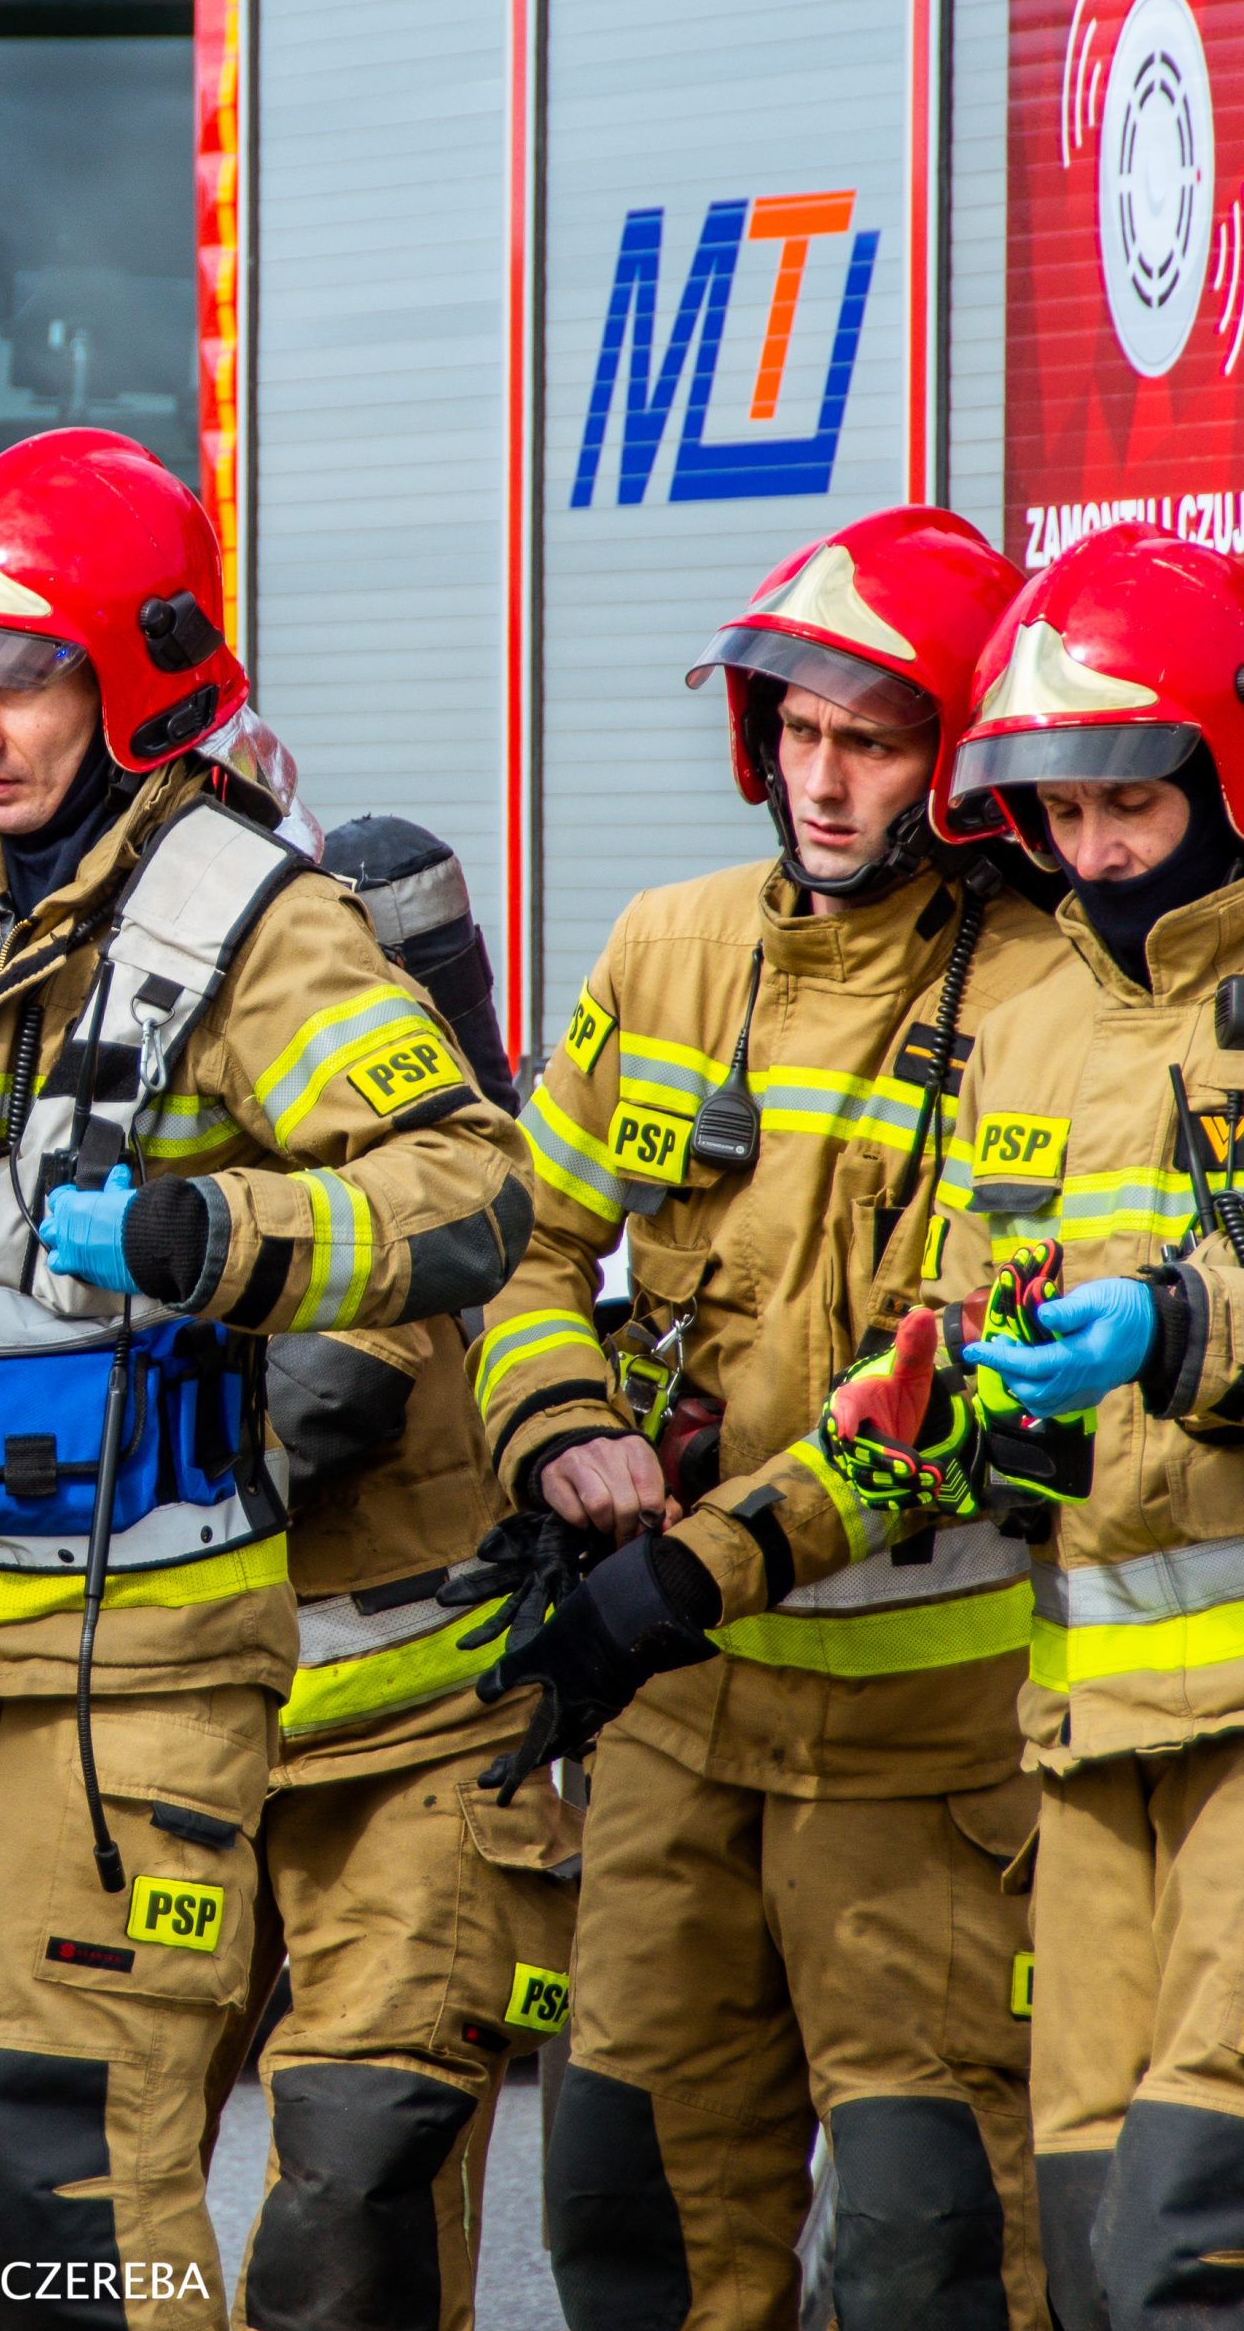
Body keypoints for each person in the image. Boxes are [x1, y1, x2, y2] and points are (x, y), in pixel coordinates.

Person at [0, 427, 533, 2324]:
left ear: (133, 683)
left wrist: (205, 1235)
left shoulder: (256, 918)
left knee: (54, 2169)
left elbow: (470, 1191)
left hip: (128, 1653)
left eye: (21, 678)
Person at [616, 522, 1244, 2329]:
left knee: (1192, 2240)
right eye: (1061, 809)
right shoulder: (1031, 1032)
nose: (1094, 851)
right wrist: (701, 1570)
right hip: (1089, 1732)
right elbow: (929, 1388)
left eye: (1132, 803)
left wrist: (1182, 1322)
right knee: (1097, 2247)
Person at [465, 507, 1062, 2331]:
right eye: (795, 730)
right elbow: (524, 1245)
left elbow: (955, 1389)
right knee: (628, 2219)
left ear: (955, 764)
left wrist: (696, 1566)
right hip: (672, 1735)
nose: (820, 777)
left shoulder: (1050, 996)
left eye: (869, 741)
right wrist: (563, 1427)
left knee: (930, 2251)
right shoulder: (669, 947)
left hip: (920, 1762)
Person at [211, 817, 579, 2331]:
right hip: (184, 1729)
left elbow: (326, 1404)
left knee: (364, 2194)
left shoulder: (440, 1170)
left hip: (419, 1749)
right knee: (64, 2173)